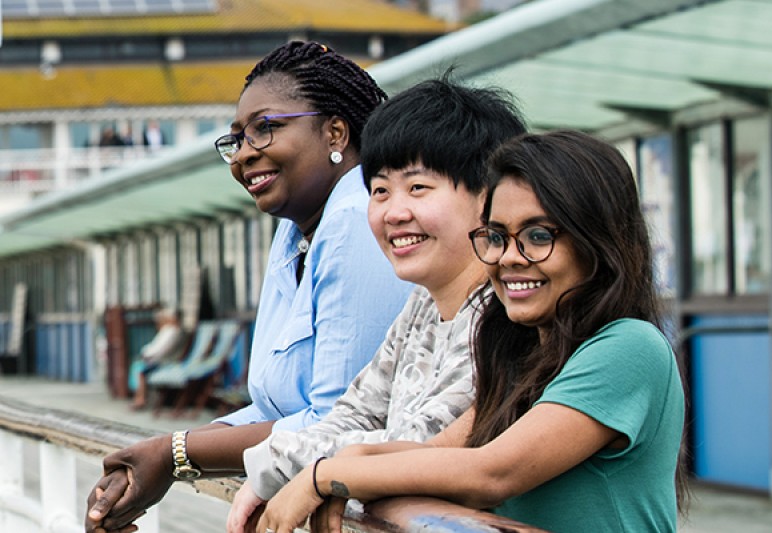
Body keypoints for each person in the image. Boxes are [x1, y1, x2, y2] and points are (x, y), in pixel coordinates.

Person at [258, 130, 688, 533]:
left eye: (538, 236)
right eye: (498, 236)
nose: (510, 258)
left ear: (598, 240)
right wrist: (348, 462)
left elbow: (492, 472)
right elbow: (441, 454)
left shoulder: (629, 347)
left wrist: (329, 476)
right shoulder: (525, 356)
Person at [84, 41, 412, 533]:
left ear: (335, 131)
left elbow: (340, 422)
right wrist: (169, 453)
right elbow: (276, 406)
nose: (244, 155)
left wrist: (174, 454)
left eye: (265, 129)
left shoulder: (357, 219)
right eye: (236, 139)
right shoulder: (295, 230)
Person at [226, 76, 527, 533]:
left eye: (419, 188)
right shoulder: (423, 305)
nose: (393, 212)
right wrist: (277, 469)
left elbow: (421, 443)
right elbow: (357, 410)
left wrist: (286, 467)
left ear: (489, 197)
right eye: (380, 190)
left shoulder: (508, 314)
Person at [129, 307, 187, 411]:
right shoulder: (168, 330)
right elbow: (156, 347)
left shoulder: (174, 331)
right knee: (138, 367)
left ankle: (140, 398)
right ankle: (139, 397)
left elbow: (162, 350)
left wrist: (147, 355)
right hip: (160, 359)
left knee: (140, 370)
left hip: (166, 361)